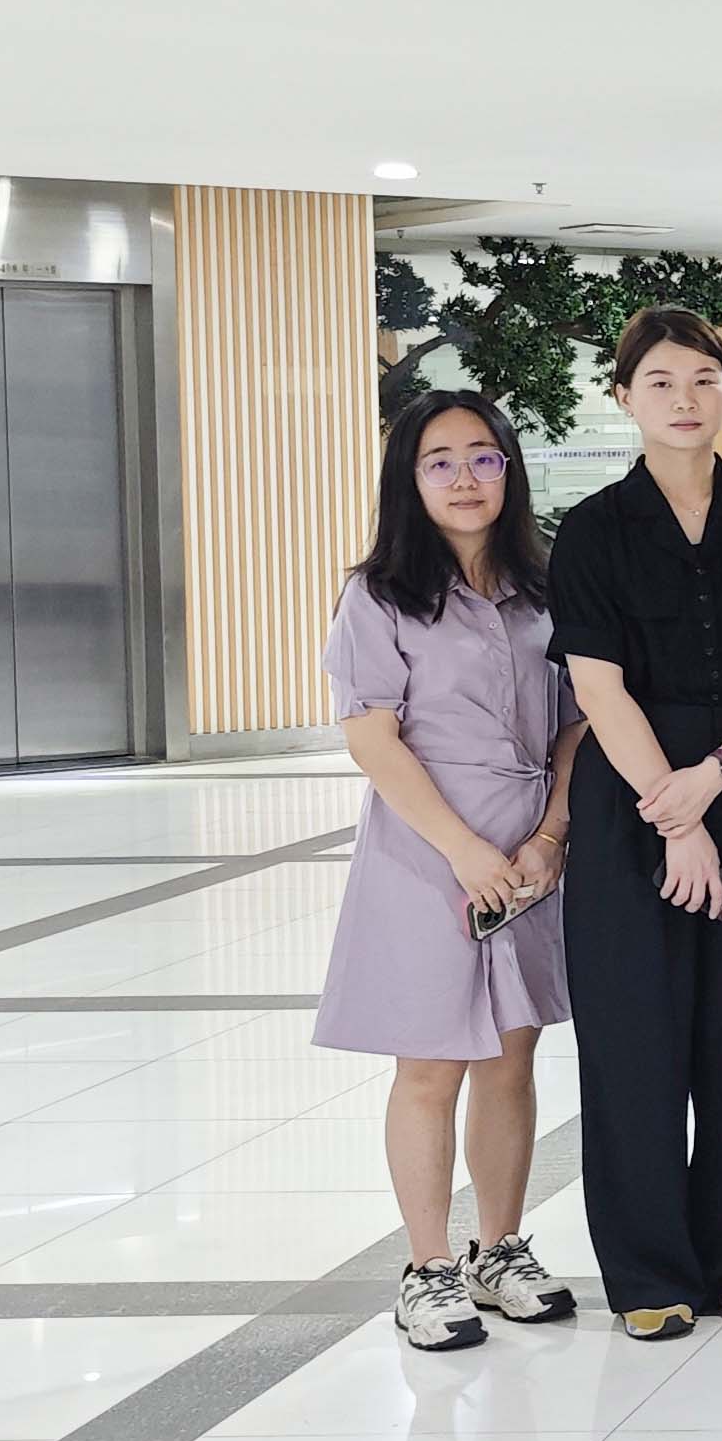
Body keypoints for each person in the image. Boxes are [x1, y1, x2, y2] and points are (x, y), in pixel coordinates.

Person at [545, 309, 722, 1342]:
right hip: (632, 799)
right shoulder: (593, 528)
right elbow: (598, 686)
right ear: (624, 397)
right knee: (635, 1035)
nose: (686, 398)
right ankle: (649, 1269)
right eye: (660, 381)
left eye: (704, 377)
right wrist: (675, 813)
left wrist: (719, 775)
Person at [319, 391, 584, 1353]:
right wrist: (464, 851)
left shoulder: (546, 587)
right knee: (431, 1061)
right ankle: (427, 1267)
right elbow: (373, 739)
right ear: (410, 479)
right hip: (427, 849)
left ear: (510, 469)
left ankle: (498, 1248)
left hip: (528, 852)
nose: (465, 478)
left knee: (512, 1054)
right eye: (440, 461)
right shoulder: (379, 594)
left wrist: (550, 835)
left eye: (483, 457)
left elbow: (576, 724)